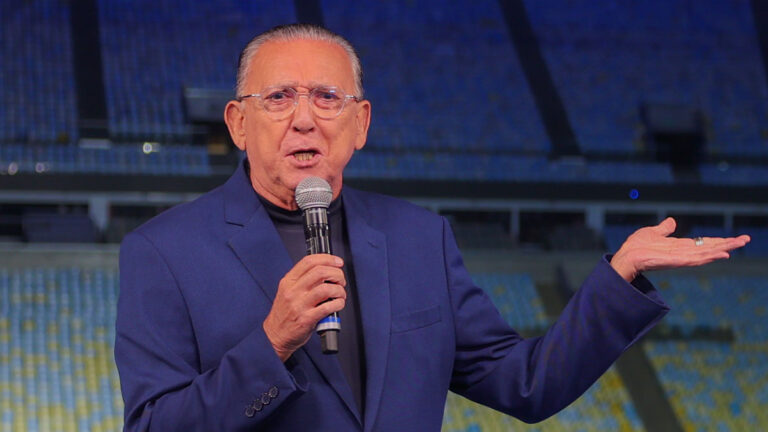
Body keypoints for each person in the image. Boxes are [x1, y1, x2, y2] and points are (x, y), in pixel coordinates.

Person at [114, 24, 750, 431]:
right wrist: (271, 344)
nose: (304, 118)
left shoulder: (419, 238)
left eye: (326, 98)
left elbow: (526, 384)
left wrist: (620, 275)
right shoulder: (164, 253)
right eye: (278, 98)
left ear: (360, 124)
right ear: (237, 123)